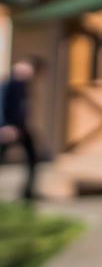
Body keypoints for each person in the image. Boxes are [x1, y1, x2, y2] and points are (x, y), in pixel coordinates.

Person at [0, 57, 42, 200]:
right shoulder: (9, 84)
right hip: (8, 128)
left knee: (33, 157)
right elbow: (2, 105)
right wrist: (5, 126)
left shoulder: (22, 85)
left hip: (20, 128)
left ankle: (28, 192)